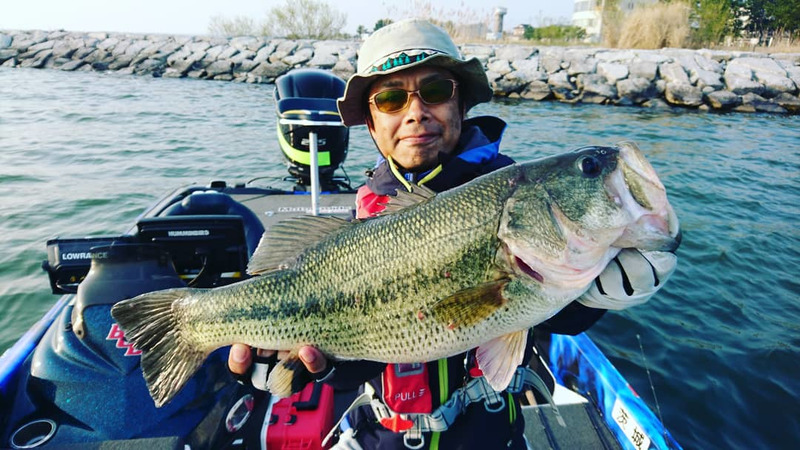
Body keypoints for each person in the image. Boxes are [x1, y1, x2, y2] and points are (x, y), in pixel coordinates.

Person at [229, 19, 677, 449]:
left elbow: (544, 309)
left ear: (461, 104)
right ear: (370, 123)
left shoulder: (511, 189)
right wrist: (314, 368)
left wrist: (593, 301)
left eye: (436, 91)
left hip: (490, 435)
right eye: (391, 100)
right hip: (384, 439)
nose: (416, 113)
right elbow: (360, 358)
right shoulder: (363, 219)